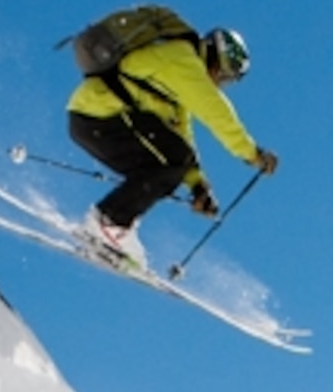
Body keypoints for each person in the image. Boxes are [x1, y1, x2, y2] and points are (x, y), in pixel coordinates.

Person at [65, 17, 280, 267]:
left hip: (94, 121)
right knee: (170, 162)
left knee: (169, 165)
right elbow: (215, 111)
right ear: (214, 58)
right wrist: (251, 153)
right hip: (100, 116)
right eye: (223, 74)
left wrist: (196, 184)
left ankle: (113, 227)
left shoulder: (179, 73)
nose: (219, 83)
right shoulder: (183, 60)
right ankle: (108, 224)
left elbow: (180, 134)